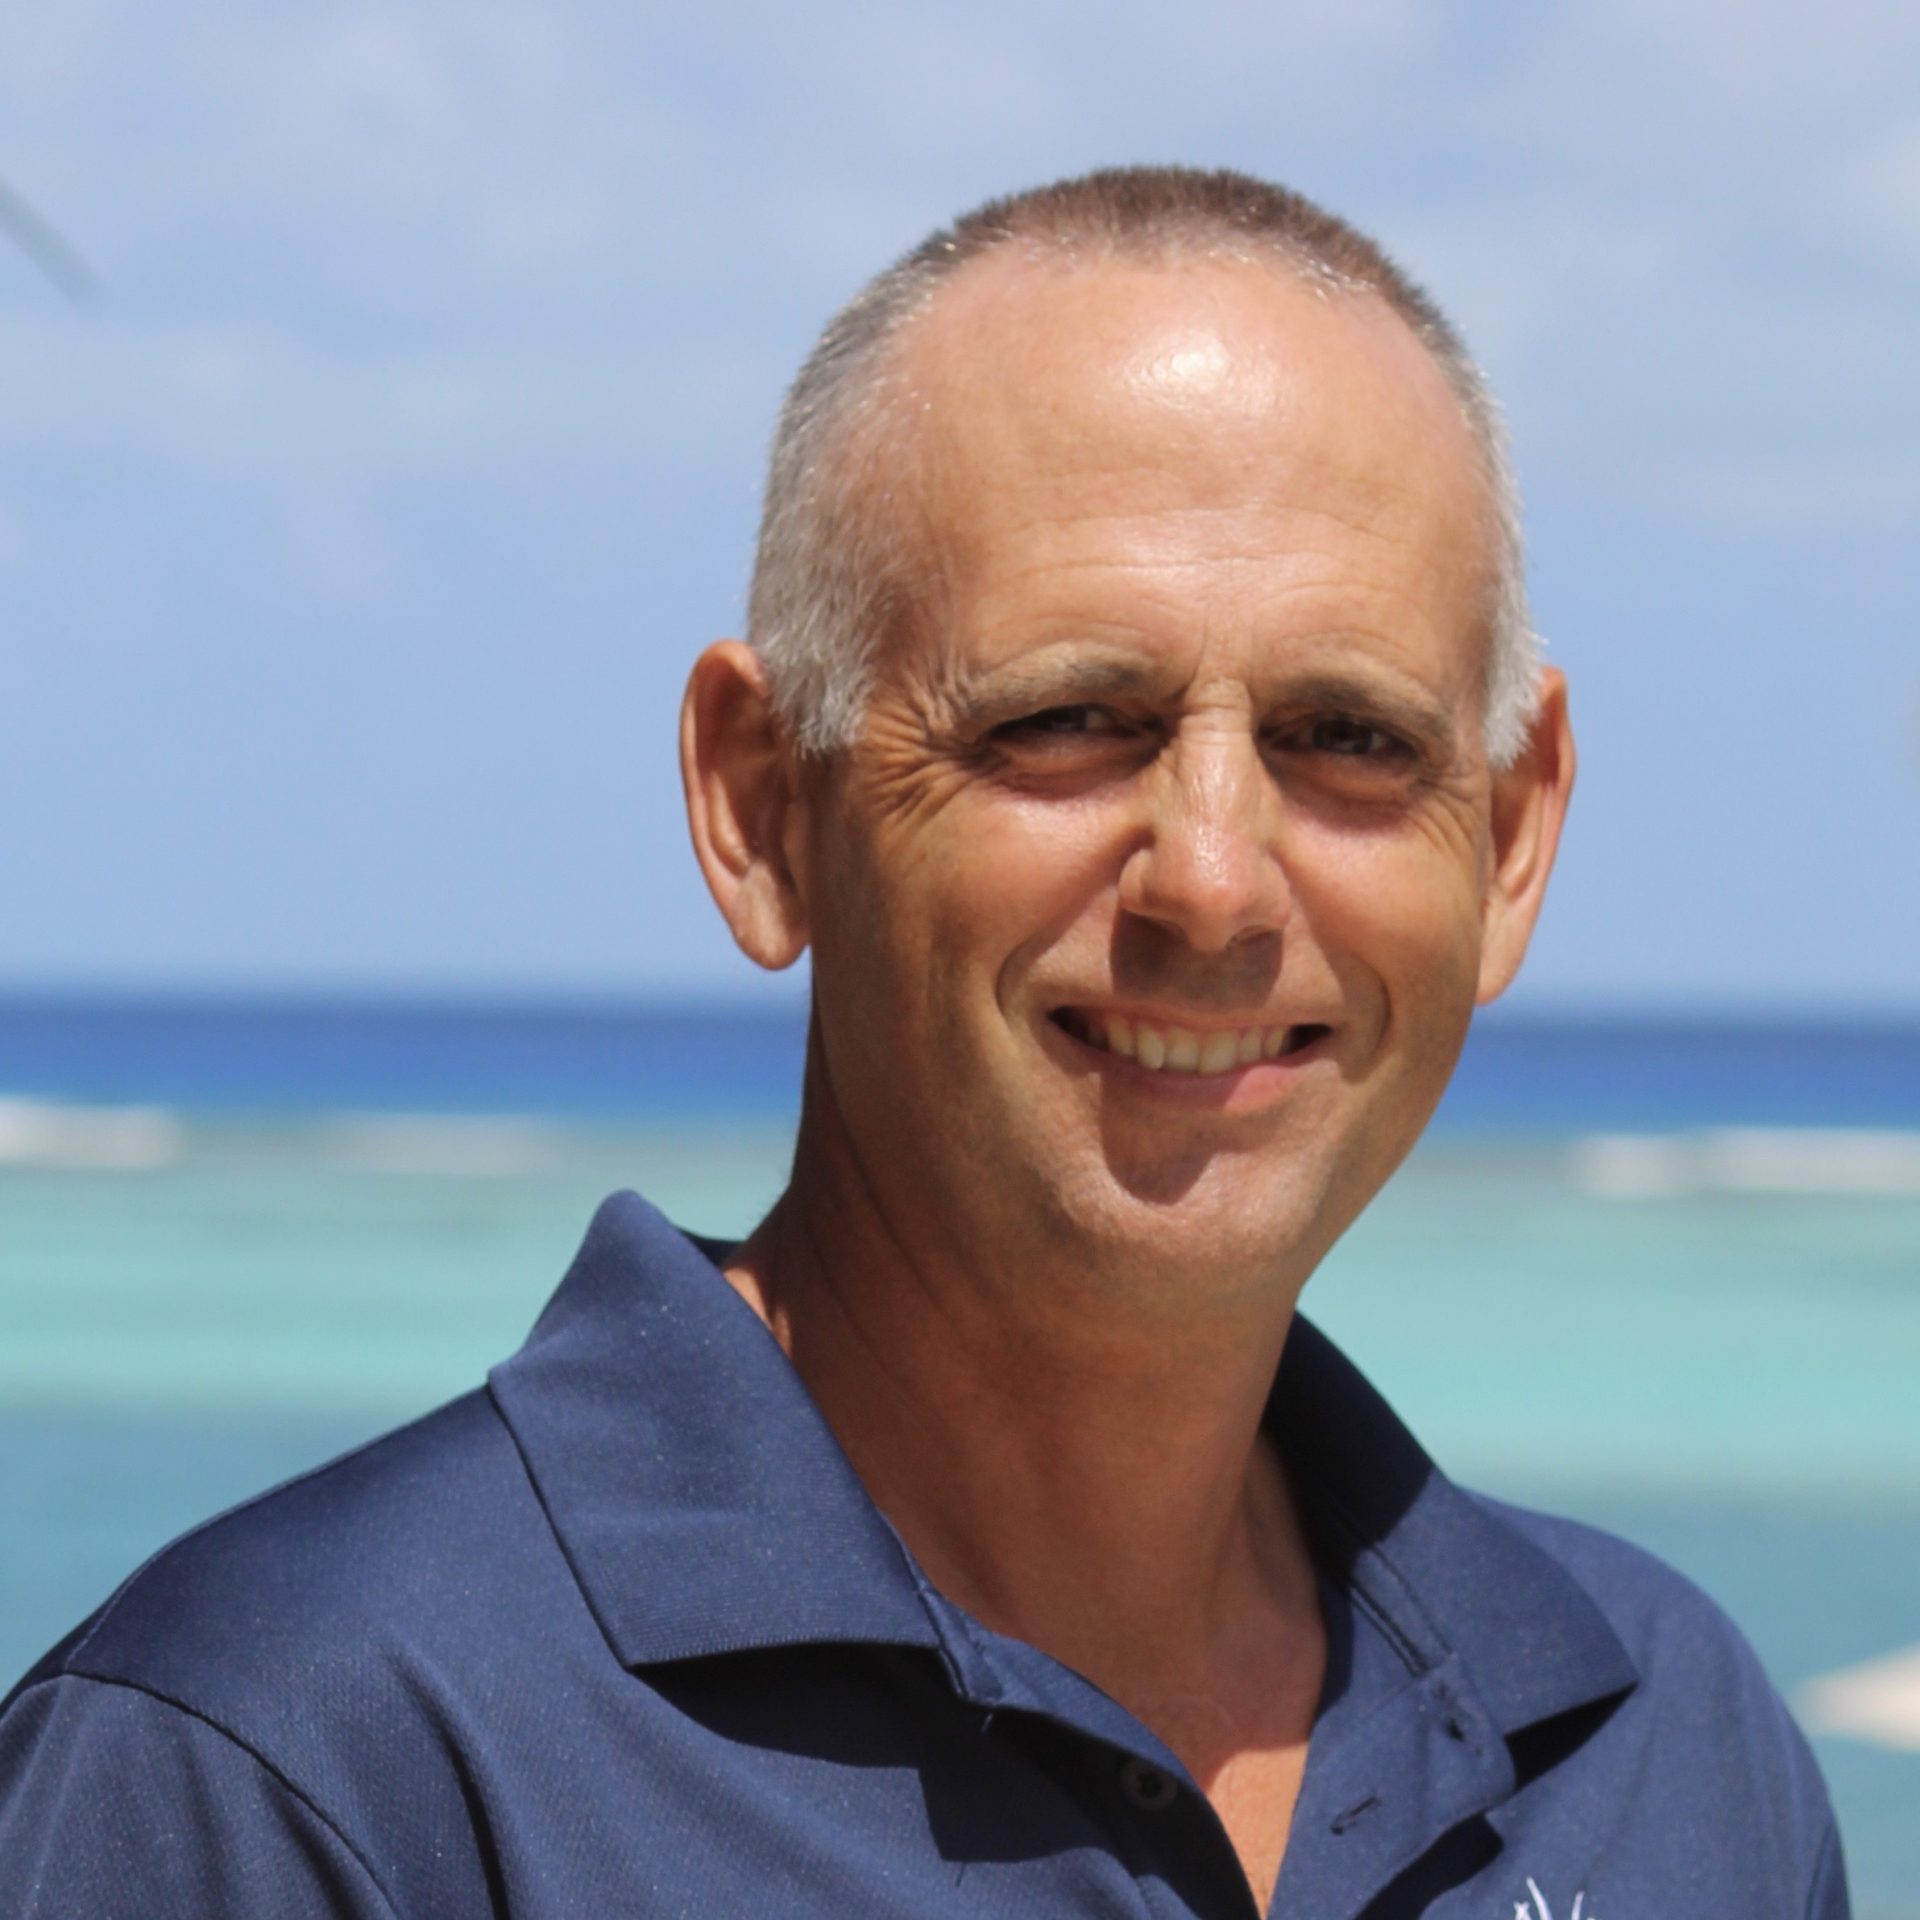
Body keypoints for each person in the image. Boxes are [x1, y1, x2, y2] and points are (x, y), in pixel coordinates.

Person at [0, 166, 1845, 1918]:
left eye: (1348, 739)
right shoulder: (306, 1769)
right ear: (759, 807)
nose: (1212, 878)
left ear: (1512, 842)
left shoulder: (1663, 1749)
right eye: (1069, 720)